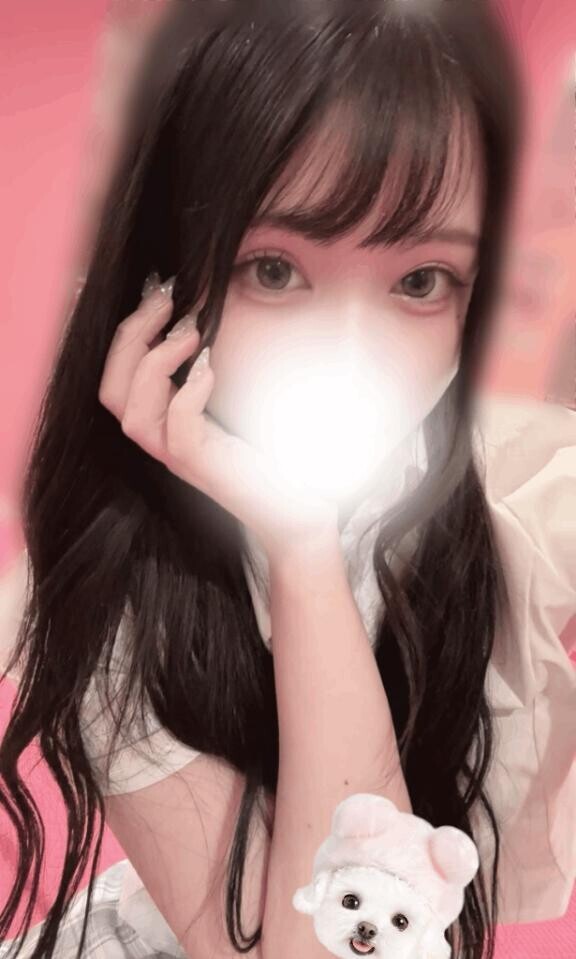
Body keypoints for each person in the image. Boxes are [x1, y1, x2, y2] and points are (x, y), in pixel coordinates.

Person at [0, 2, 574, 958]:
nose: (350, 353)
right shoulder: (120, 585)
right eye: (273, 269)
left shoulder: (513, 492)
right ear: (164, 289)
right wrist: (301, 548)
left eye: (421, 281)